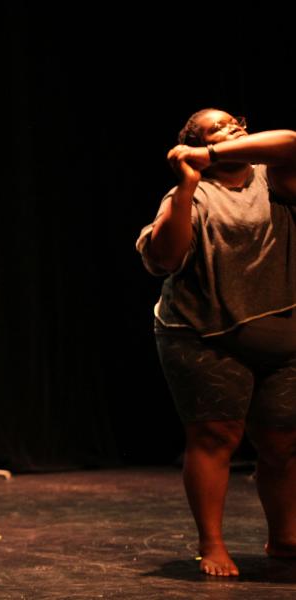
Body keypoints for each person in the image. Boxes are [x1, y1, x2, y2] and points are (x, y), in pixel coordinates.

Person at [136, 108, 296, 576]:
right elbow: (165, 258)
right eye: (218, 126)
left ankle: (285, 537)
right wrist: (187, 181)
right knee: (215, 436)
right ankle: (213, 544)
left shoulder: (277, 179)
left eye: (235, 123)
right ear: (191, 144)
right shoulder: (193, 194)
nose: (234, 127)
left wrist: (206, 149)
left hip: (282, 337)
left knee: (283, 442)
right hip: (201, 335)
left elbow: (291, 139)